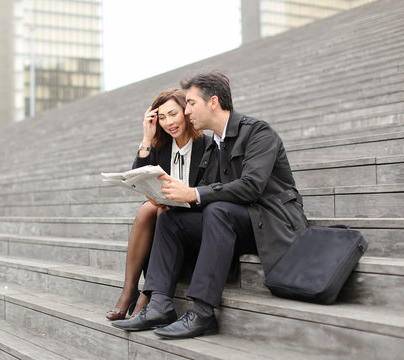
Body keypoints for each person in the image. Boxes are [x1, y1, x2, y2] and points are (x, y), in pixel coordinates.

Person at [111, 70, 308, 338]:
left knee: (217, 209)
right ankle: (159, 304)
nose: (187, 111)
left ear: (212, 102)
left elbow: (251, 187)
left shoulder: (258, 132)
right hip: (233, 222)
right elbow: (209, 193)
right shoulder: (214, 145)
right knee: (169, 218)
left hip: (270, 221)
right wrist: (174, 200)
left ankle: (202, 313)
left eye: (191, 104)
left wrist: (193, 194)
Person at [106, 88, 210, 320]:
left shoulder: (208, 145)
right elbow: (138, 176)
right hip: (164, 220)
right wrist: (146, 138)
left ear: (186, 111)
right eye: (161, 117)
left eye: (173, 114)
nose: (168, 122)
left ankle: (144, 297)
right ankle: (130, 291)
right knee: (150, 208)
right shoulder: (161, 147)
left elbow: (208, 193)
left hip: (193, 226)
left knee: (160, 210)